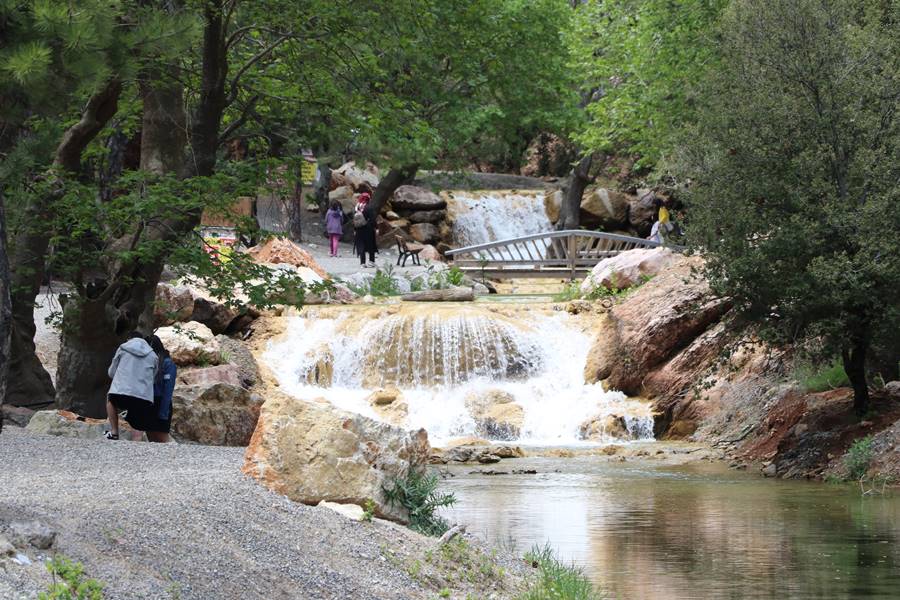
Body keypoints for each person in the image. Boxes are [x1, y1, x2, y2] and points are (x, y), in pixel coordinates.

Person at [105, 332, 158, 440]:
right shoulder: (153, 355)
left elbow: (111, 372)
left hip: (121, 392)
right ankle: (136, 441)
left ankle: (114, 432)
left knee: (110, 400)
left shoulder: (123, 348)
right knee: (139, 412)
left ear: (129, 338)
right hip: (143, 396)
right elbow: (153, 377)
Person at [146, 334, 177, 443]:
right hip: (150, 402)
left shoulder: (168, 364)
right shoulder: (149, 363)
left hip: (160, 402)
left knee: (161, 437)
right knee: (151, 436)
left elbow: (168, 389)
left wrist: (163, 412)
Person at [353, 191, 377, 268]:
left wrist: (354, 229)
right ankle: (371, 261)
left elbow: (354, 220)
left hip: (359, 229)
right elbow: (373, 219)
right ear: (368, 199)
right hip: (368, 229)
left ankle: (362, 263)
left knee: (361, 246)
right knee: (371, 244)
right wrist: (376, 228)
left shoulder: (357, 208)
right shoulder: (369, 207)